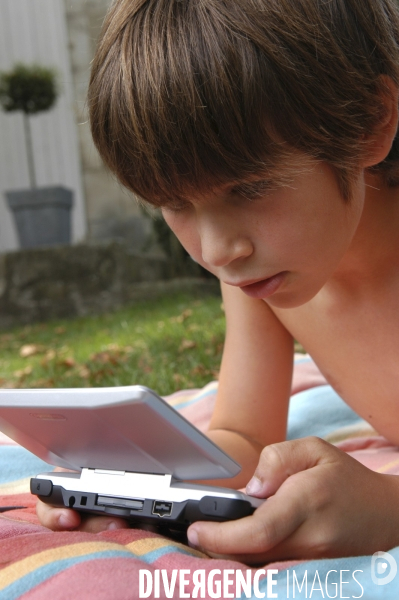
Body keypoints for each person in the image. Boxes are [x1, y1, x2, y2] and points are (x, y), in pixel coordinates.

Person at [37, 0, 399, 564]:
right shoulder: (264, 276)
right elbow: (246, 440)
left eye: (249, 189)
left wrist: (388, 509)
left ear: (372, 122)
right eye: (175, 202)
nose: (217, 251)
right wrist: (142, 484)